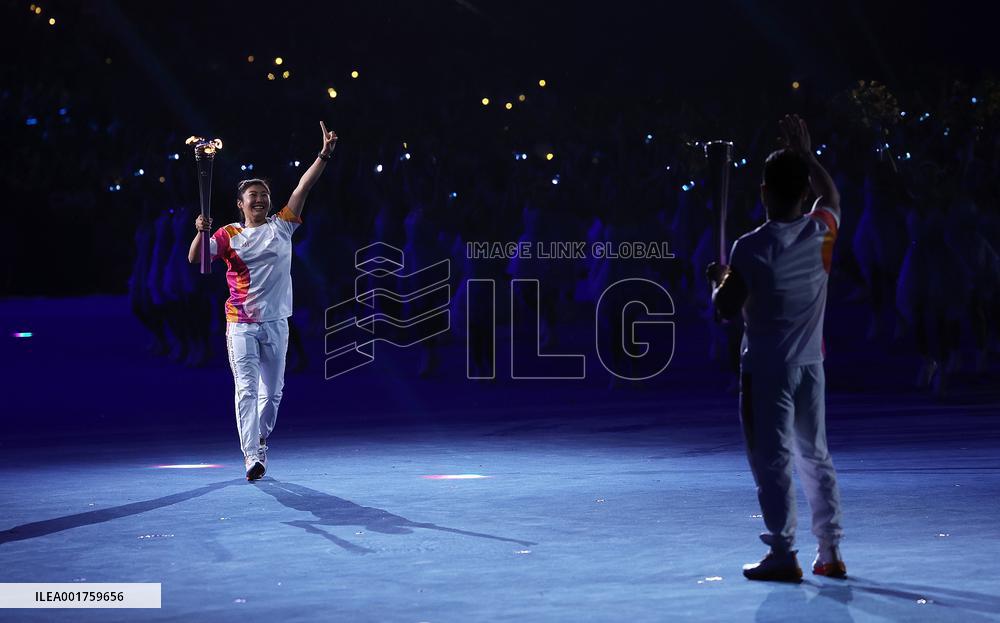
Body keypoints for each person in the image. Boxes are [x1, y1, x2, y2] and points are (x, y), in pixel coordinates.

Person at [707, 115, 846, 581]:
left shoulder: (750, 247)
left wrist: (717, 282)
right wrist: (808, 156)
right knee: (816, 457)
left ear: (764, 192)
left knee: (772, 461)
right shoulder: (820, 232)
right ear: (804, 193)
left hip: (766, 370)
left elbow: (725, 309)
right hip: (811, 365)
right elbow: (833, 196)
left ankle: (783, 552)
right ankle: (829, 551)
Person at [188, 121, 338, 481]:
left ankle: (259, 439)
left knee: (272, 397)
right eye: (251, 195)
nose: (259, 198)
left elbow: (304, 186)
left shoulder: (282, 225)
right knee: (246, 389)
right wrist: (201, 231)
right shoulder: (227, 235)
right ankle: (251, 456)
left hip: (276, 323)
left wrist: (323, 155)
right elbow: (197, 258)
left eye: (263, 194)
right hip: (240, 322)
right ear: (240, 204)